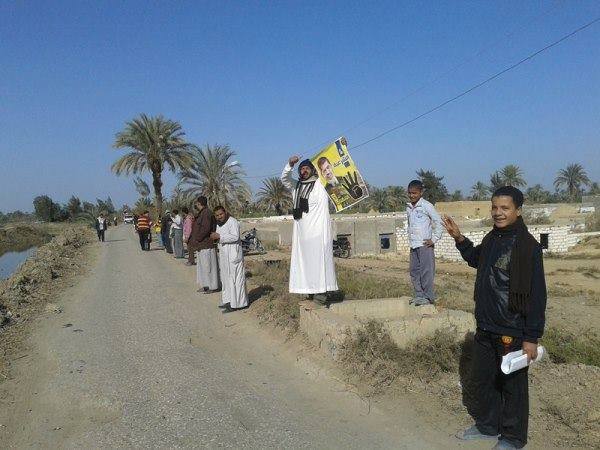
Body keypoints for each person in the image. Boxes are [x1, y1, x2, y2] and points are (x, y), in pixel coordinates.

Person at [442, 186, 547, 450]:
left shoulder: (528, 247)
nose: (498, 213)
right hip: (486, 325)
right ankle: (488, 426)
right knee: (485, 379)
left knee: (513, 387)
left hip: (511, 328)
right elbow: (475, 259)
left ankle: (513, 438)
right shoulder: (492, 238)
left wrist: (531, 337)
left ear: (518, 211)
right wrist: (459, 238)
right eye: (494, 207)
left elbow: (537, 296)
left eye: (505, 208)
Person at [281, 155, 338, 302]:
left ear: (313, 170)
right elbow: (284, 179)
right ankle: (310, 291)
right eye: (302, 169)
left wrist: (341, 148)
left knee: (320, 263)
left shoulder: (320, 183)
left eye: (307, 168)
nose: (304, 171)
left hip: (319, 233)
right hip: (302, 236)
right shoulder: (296, 186)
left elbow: (334, 174)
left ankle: (321, 293)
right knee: (305, 265)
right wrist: (290, 164)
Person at [406, 179, 442, 306]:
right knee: (414, 271)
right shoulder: (409, 207)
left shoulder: (426, 206)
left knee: (426, 272)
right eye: (410, 193)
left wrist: (434, 239)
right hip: (414, 245)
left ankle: (428, 297)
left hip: (425, 245)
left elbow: (438, 221)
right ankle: (419, 295)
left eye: (414, 193)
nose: (412, 195)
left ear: (421, 193)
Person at [211, 206, 248, 313]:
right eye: (217, 215)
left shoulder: (232, 221)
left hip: (233, 255)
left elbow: (235, 236)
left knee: (236, 280)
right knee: (226, 279)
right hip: (224, 256)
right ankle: (228, 301)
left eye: (221, 214)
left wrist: (219, 237)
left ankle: (238, 304)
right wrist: (216, 238)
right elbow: (219, 238)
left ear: (225, 212)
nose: (219, 217)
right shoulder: (219, 224)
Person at [190, 196, 219, 293]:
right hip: (201, 245)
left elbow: (205, 229)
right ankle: (205, 285)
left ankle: (212, 286)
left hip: (206, 244)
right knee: (202, 267)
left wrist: (198, 238)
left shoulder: (207, 213)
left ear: (199, 203)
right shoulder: (202, 213)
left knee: (209, 266)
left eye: (196, 203)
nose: (196, 205)